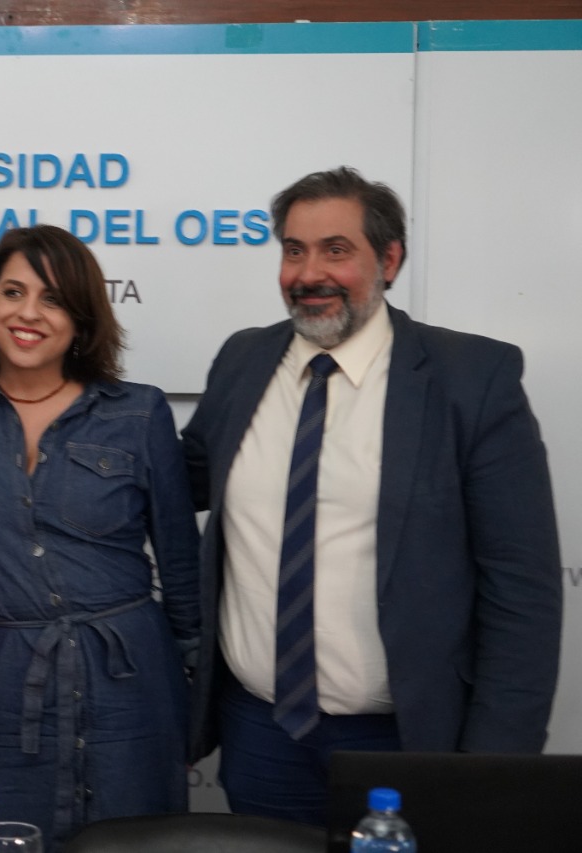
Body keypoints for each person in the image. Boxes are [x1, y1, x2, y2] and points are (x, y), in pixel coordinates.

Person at [181, 166, 562, 826]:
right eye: (293, 250)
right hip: (261, 734)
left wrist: (492, 766)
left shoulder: (470, 380)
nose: (309, 273)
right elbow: (174, 477)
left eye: (336, 250)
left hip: (407, 741)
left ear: (389, 260)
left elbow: (522, 591)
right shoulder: (243, 360)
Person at [0, 225, 200, 851]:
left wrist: (195, 695)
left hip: (129, 686)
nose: (28, 313)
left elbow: (182, 568)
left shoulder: (138, 412)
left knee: (130, 843)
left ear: (81, 318)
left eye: (52, 299)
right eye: (13, 292)